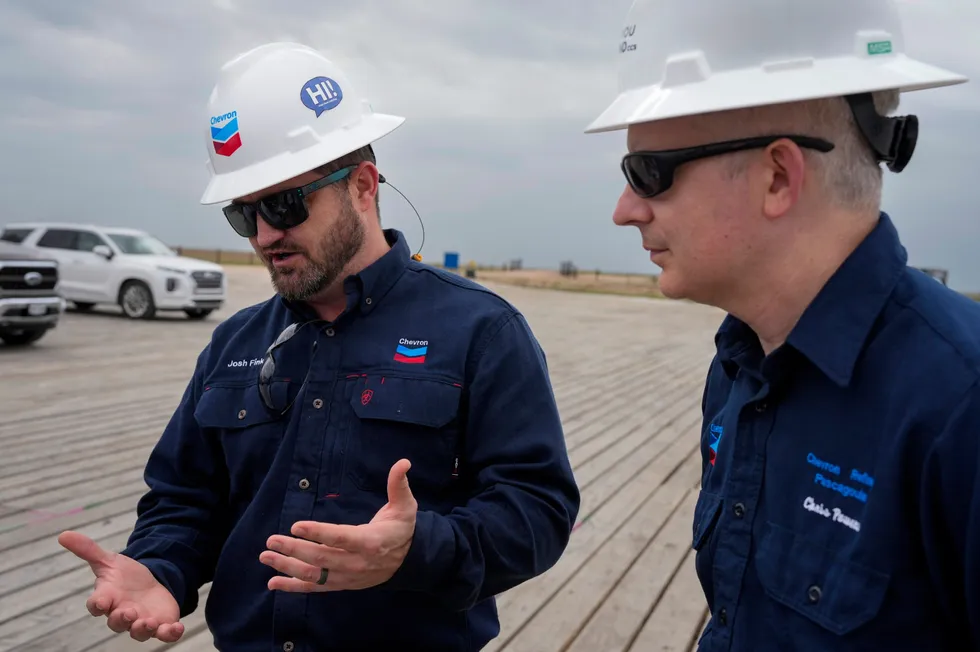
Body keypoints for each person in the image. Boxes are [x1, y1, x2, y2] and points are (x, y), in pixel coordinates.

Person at [58, 42, 580, 651]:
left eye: (283, 204)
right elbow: (184, 498)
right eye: (242, 214)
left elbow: (537, 508)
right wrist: (161, 569)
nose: (264, 235)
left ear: (362, 185)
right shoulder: (235, 341)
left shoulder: (481, 330)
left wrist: (416, 550)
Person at [584, 0, 978, 650]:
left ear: (777, 175)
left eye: (648, 173)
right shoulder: (740, 366)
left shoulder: (959, 409)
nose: (626, 211)